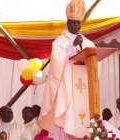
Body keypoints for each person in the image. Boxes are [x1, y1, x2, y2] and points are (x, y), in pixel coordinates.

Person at [38, 0, 96, 139]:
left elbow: (94, 59)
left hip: (83, 88)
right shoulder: (59, 42)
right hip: (67, 88)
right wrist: (72, 47)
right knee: (68, 118)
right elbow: (57, 62)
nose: (77, 25)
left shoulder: (87, 42)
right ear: (68, 23)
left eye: (79, 22)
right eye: (74, 22)